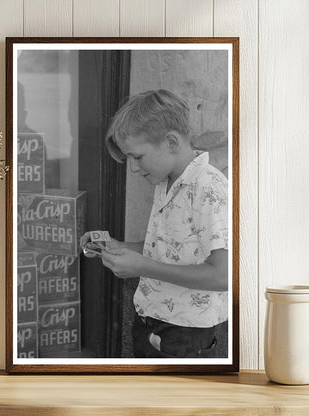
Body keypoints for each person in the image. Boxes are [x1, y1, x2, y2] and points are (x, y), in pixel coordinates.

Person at [80, 89, 228, 358]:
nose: (133, 168)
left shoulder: (209, 188)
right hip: (150, 322)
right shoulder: (166, 181)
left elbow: (223, 276)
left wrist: (144, 267)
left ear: (171, 142)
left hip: (186, 335)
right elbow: (167, 249)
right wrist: (118, 246)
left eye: (137, 157)